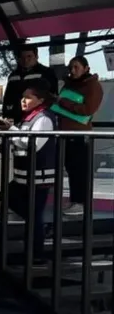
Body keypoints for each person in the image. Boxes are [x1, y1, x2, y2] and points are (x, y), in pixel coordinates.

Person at [0, 86, 56, 261]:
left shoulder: (44, 119)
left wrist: (11, 130)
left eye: (28, 97)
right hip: (24, 176)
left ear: (40, 100)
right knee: (8, 197)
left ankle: (36, 255)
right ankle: (37, 235)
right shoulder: (28, 118)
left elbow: (31, 144)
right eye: (22, 97)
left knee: (34, 215)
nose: (23, 100)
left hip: (39, 177)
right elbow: (20, 142)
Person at [50, 56, 105, 215]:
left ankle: (81, 202)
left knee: (79, 169)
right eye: (71, 67)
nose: (72, 71)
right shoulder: (69, 84)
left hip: (79, 133)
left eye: (76, 67)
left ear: (86, 68)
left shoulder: (93, 86)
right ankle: (75, 201)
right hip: (64, 132)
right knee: (71, 168)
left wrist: (63, 102)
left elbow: (88, 109)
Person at [2, 45, 58, 124]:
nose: (25, 60)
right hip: (14, 117)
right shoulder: (13, 75)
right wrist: (6, 115)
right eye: (22, 57)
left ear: (36, 56)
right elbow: (7, 98)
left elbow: (52, 96)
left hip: (37, 117)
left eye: (29, 56)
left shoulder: (46, 73)